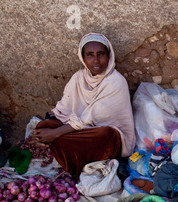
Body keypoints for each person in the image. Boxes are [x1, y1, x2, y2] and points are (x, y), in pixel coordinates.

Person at [31, 33, 136, 178]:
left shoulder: (116, 81)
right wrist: (50, 127)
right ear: (83, 58)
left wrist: (55, 134)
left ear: (109, 55)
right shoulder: (79, 78)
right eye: (90, 55)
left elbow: (92, 118)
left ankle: (61, 150)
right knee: (44, 125)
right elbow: (63, 109)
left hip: (102, 135)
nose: (96, 61)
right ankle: (65, 149)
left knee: (106, 135)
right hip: (78, 131)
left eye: (101, 54)